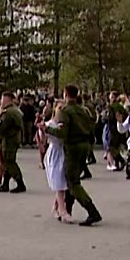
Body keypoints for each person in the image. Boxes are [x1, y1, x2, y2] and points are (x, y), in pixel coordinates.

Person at [41, 85, 102, 226]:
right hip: (85, 145)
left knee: (73, 183)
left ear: (65, 94)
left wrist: (47, 129)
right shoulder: (84, 110)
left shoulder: (65, 111)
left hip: (73, 147)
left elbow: (62, 133)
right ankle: (66, 208)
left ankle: (92, 211)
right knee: (72, 178)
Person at [43, 101, 72, 222]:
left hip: (63, 152)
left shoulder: (65, 123)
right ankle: (62, 210)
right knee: (59, 182)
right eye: (60, 108)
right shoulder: (50, 123)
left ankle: (56, 207)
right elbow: (46, 136)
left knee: (62, 182)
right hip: (54, 153)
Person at [0, 91, 26, 193]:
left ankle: (20, 183)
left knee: (9, 161)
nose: (1, 102)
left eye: (2, 99)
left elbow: (2, 128)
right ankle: (5, 184)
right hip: (14, 138)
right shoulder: (16, 110)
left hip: (9, 140)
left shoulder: (8, 113)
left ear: (6, 100)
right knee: (7, 161)